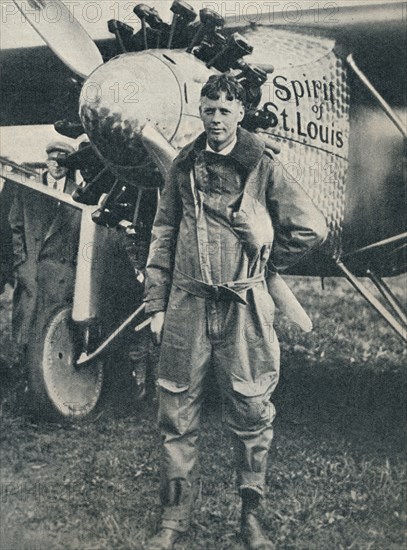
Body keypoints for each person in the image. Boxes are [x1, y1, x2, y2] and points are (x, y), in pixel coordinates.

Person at [143, 74, 328, 550]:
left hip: (244, 307)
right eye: (209, 110)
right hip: (187, 305)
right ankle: (173, 520)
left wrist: (265, 260)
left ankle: (251, 517)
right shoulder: (183, 165)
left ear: (241, 113)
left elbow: (310, 227)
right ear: (200, 112)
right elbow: (164, 233)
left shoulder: (262, 166)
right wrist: (156, 303)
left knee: (251, 411)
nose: (217, 119)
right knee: (176, 412)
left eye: (226, 111)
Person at [8, 141, 80, 353]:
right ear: (46, 162)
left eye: (62, 162)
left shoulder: (79, 194)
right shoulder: (29, 188)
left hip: (62, 274)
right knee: (29, 329)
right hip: (32, 269)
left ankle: (51, 379)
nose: (57, 166)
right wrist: (22, 262)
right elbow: (16, 226)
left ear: (69, 166)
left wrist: (74, 267)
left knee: (56, 329)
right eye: (52, 160)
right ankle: (28, 378)